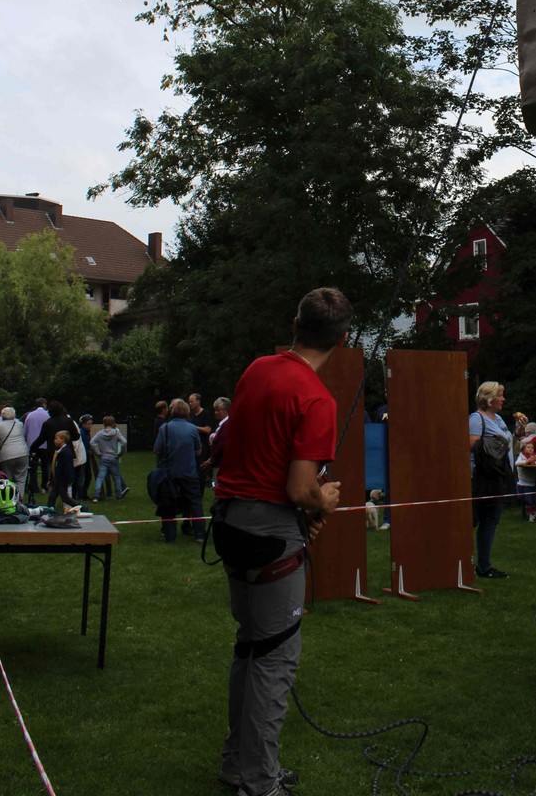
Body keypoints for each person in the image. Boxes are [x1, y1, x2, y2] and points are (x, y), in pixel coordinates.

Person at [214, 287, 351, 796]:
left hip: (230, 524)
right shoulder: (316, 398)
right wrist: (324, 499)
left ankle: (239, 764)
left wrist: (309, 498)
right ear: (342, 337)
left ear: (295, 325)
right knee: (274, 660)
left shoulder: (256, 370)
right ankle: (260, 782)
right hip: (269, 534)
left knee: (250, 647)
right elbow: (298, 487)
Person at [469, 381, 514, 580]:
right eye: (500, 395)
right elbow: (472, 444)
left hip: (499, 477)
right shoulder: (477, 419)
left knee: (491, 521)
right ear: (489, 398)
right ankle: (475, 565)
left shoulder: (498, 419)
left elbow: (506, 442)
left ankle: (484, 566)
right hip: (483, 478)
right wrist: (500, 444)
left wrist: (517, 434)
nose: (503, 399)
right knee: (477, 520)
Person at [153, 398, 205, 543]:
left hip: (169, 472)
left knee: (168, 502)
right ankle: (200, 534)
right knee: (195, 502)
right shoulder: (192, 428)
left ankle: (170, 535)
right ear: (186, 412)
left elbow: (157, 450)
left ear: (172, 412)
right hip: (189, 471)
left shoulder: (165, 428)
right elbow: (199, 451)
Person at [0, 407, 30, 500]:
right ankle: (19, 499)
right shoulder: (20, 424)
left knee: (8, 479)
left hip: (6, 455)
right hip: (23, 453)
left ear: (2, 415)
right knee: (21, 479)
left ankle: (10, 498)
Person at [90, 416, 129, 502]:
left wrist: (98, 453)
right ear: (113, 423)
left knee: (100, 477)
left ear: (104, 424)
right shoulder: (116, 433)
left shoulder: (100, 433)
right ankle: (119, 495)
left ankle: (96, 496)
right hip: (114, 457)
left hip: (103, 457)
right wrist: (120, 453)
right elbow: (124, 442)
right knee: (116, 476)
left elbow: (92, 442)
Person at [23, 397, 49, 497]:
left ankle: (34, 486)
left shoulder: (30, 415)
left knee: (32, 467)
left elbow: (25, 430)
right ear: (44, 404)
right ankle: (44, 485)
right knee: (45, 466)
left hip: (32, 444)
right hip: (45, 445)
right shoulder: (47, 415)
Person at [48, 430, 80, 510]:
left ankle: (80, 507)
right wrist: (51, 479)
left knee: (64, 497)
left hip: (62, 480)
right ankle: (51, 509)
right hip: (57, 480)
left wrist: (69, 479)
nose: (54, 440)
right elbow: (54, 467)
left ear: (62, 439)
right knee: (52, 496)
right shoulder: (60, 452)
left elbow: (68, 467)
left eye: (56, 438)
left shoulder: (65, 452)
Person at [189, 392, 213, 491]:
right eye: (189, 402)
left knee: (200, 470)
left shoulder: (205, 414)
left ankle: (201, 488)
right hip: (191, 446)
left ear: (198, 401)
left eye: (192, 401)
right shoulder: (190, 415)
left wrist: (194, 428)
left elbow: (208, 429)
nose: (190, 404)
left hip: (202, 446)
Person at [206, 396, 232, 486]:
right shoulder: (222, 425)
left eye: (218, 410)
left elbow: (221, 445)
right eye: (215, 410)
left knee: (217, 485)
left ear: (226, 410)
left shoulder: (226, 425)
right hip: (217, 462)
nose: (215, 413)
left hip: (220, 463)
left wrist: (211, 459)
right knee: (214, 483)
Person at [515, 438, 536, 521]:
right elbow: (517, 463)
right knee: (528, 500)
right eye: (528, 447)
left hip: (532, 482)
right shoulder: (521, 457)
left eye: (532, 448)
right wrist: (526, 461)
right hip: (524, 483)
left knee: (535, 500)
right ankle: (529, 515)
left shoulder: (534, 456)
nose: (531, 449)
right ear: (524, 449)